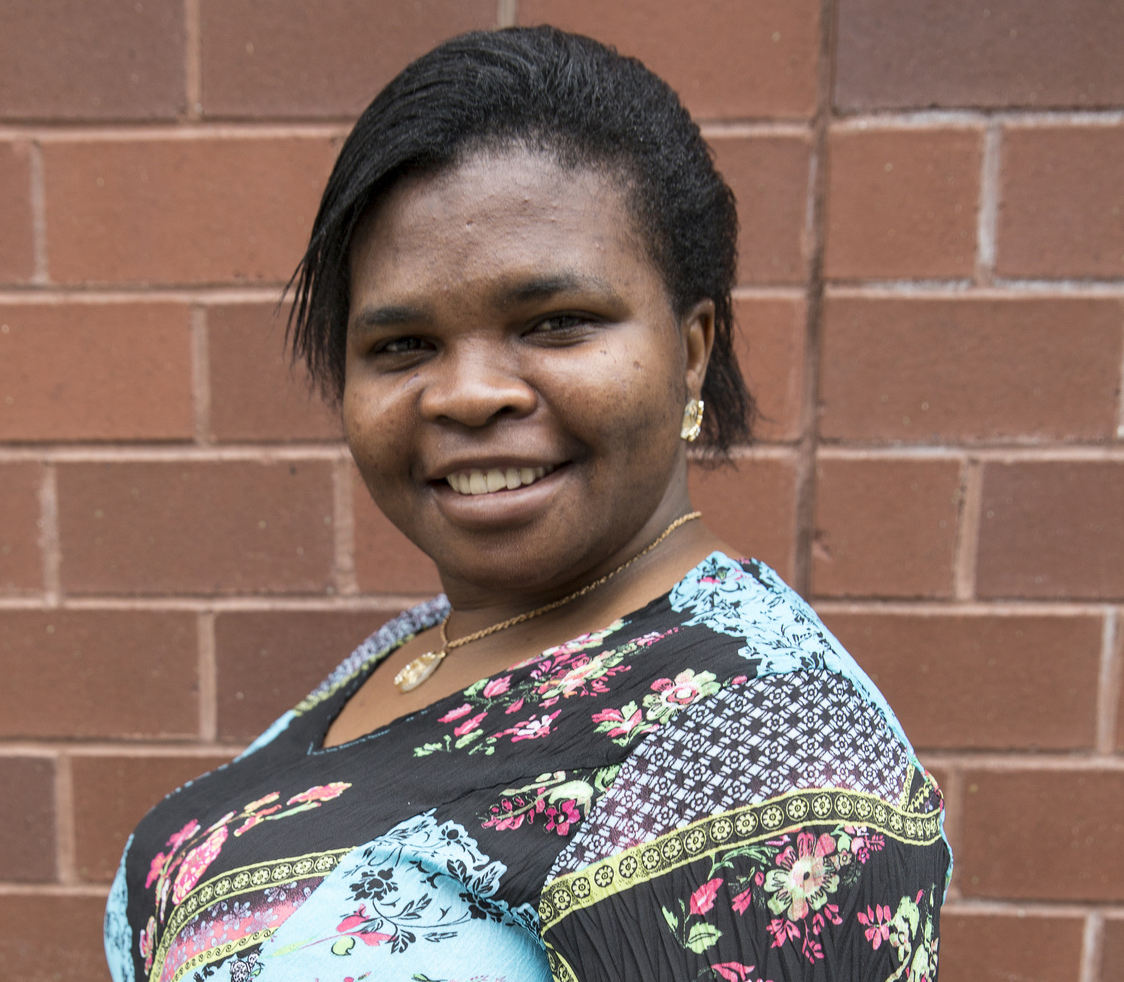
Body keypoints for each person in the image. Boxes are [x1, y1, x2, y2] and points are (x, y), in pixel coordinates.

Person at [104, 26, 948, 982]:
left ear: (694, 349)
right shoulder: (424, 647)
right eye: (402, 345)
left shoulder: (764, 748)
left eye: (555, 324)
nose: (467, 394)